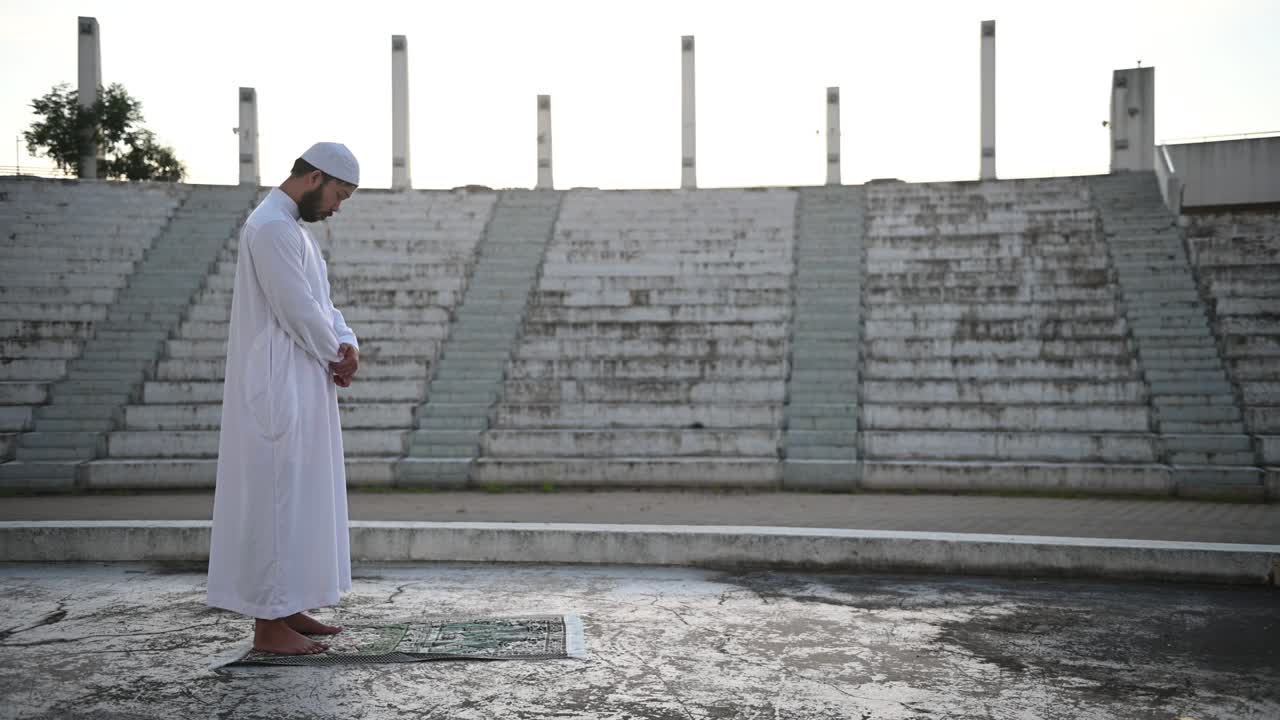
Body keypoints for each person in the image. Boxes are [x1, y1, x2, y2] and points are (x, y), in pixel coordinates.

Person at [207, 142, 362, 655]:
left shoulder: (291, 230)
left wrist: (348, 345)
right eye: (338, 194)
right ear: (314, 177)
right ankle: (268, 628)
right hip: (277, 384)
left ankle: (288, 606)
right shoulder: (270, 227)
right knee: (276, 502)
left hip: (302, 377)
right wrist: (334, 354)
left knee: (296, 499)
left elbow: (324, 303)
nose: (338, 207)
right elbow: (296, 308)